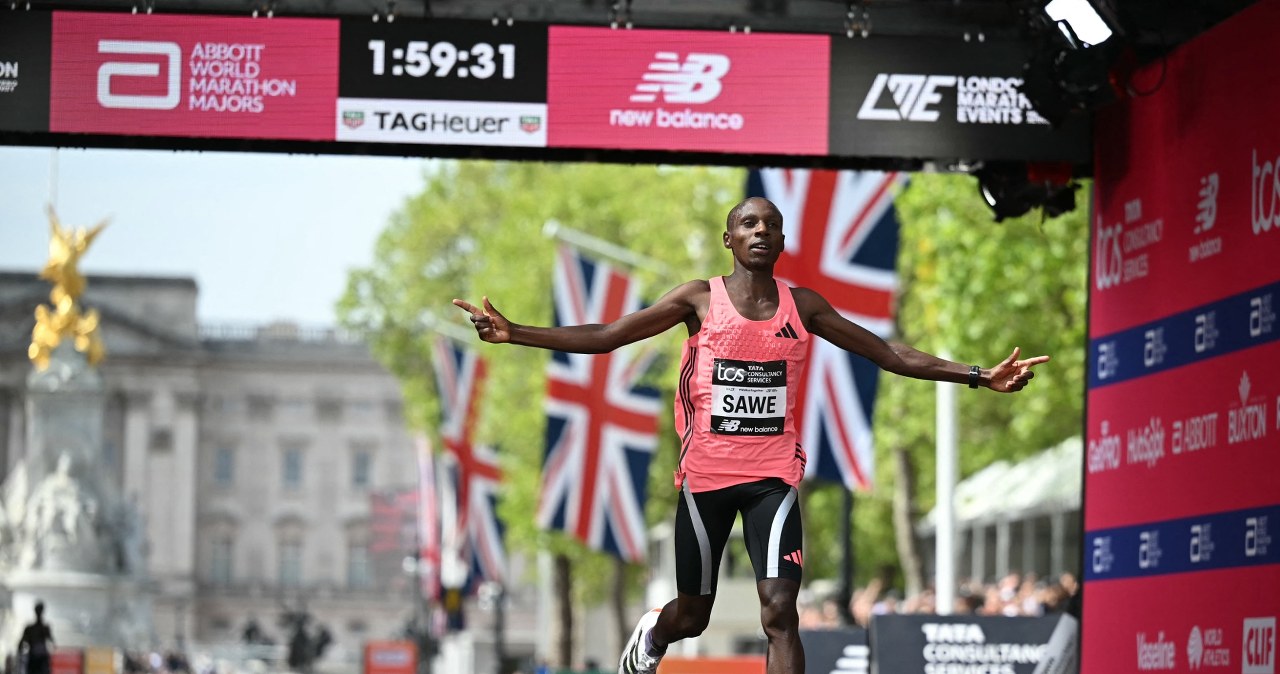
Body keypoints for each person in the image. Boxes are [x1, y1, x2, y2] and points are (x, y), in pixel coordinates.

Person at [453, 196, 1049, 674]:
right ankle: (653, 632)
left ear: (783, 241)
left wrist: (976, 374)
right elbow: (610, 334)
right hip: (705, 480)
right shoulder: (697, 300)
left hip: (773, 481)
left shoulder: (804, 305)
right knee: (693, 616)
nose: (760, 230)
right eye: (747, 223)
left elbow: (887, 351)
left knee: (781, 611)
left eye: (770, 224)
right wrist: (518, 333)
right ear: (729, 240)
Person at [17, 601, 55, 674]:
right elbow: (52, 643)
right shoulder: (41, 628)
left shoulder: (39, 628)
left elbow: (20, 645)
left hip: (37, 660)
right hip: (36, 660)